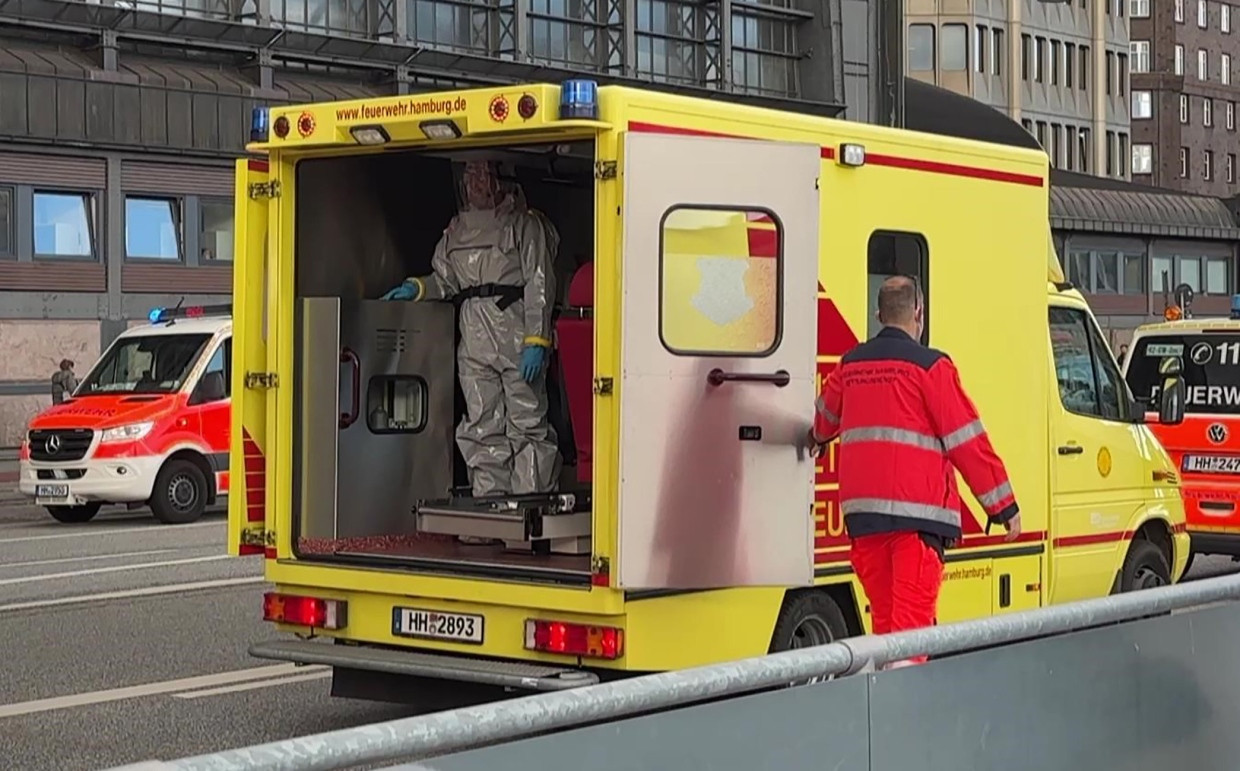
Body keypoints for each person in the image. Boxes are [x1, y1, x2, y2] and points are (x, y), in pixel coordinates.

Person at [807, 275, 1021, 667]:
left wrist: (818, 439)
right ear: (918, 314)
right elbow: (967, 440)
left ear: (878, 315)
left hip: (865, 522)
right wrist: (1002, 505)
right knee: (909, 638)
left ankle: (885, 716)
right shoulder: (931, 367)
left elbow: (822, 421)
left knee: (887, 634)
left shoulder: (851, 366)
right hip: (917, 523)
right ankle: (903, 718)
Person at [381, 160, 561, 501]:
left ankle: (530, 505)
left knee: (527, 423)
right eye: (470, 175)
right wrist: (417, 289)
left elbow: (540, 282)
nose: (475, 183)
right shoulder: (457, 230)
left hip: (515, 333)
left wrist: (537, 339)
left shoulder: (525, 225)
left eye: (482, 174)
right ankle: (490, 504)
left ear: (501, 178)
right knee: (482, 425)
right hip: (475, 338)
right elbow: (446, 279)